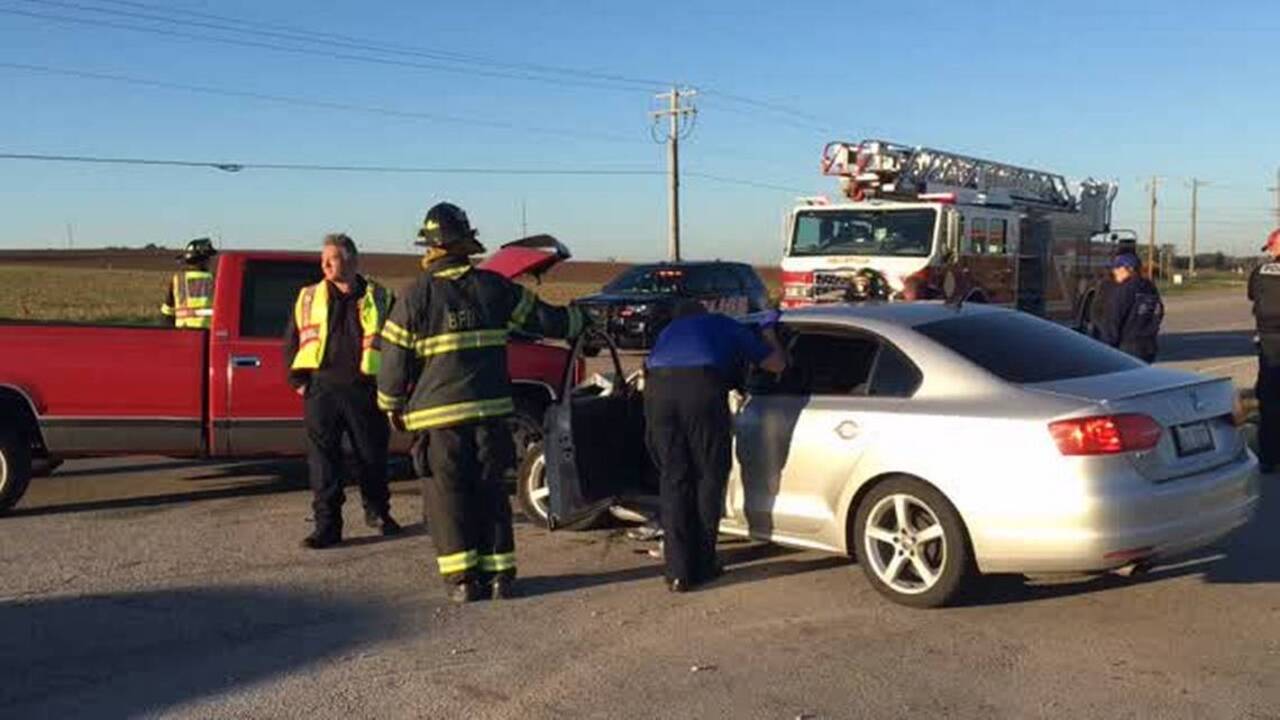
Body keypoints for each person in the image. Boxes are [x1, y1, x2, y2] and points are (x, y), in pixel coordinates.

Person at [377, 202, 586, 603]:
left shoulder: (415, 297)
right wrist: (582, 321)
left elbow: (392, 360)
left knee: (448, 499)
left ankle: (463, 582)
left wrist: (390, 404)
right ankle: (500, 578)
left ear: (431, 248)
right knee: (491, 493)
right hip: (490, 415)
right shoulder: (494, 288)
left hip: (438, 422)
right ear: (466, 244)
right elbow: (547, 321)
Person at [643, 300, 786, 592]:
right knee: (709, 475)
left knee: (674, 479)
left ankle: (677, 572)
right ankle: (704, 565)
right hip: (701, 389)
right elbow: (776, 364)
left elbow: (649, 364)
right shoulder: (725, 325)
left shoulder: (669, 331)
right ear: (706, 313)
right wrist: (769, 331)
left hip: (657, 392)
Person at [284, 233, 400, 549]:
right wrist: (298, 381)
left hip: (365, 389)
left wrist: (392, 384)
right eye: (323, 258)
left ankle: (378, 512)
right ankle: (327, 526)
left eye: (331, 258)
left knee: (371, 456)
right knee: (323, 462)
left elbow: (395, 345)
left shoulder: (380, 296)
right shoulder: (308, 297)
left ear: (350, 260)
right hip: (321, 390)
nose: (324, 264)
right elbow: (293, 339)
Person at [1248, 228, 1280, 472]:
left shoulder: (1260, 272)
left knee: (1269, 401)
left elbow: (1251, 295)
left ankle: (1269, 458)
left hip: (1269, 341)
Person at [1097, 252, 1163, 363]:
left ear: (1129, 269)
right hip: (1147, 347)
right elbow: (1158, 312)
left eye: (1118, 267)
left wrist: (1106, 348)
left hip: (1127, 348)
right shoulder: (1150, 287)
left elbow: (1114, 318)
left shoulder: (1124, 289)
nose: (1114, 272)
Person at [161, 238, 216, 328]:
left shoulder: (178, 280)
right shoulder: (214, 280)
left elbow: (167, 313)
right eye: (209, 257)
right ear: (204, 260)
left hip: (182, 334)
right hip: (208, 334)